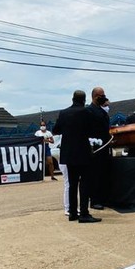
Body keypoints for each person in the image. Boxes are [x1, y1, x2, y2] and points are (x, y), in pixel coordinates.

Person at [52, 90, 99, 223]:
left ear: (72, 99)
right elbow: (92, 130)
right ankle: (84, 213)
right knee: (84, 184)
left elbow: (56, 130)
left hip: (68, 153)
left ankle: (73, 213)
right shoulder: (86, 112)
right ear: (84, 100)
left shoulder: (63, 113)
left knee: (72, 184)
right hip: (83, 153)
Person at [86, 87, 111, 210]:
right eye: (102, 95)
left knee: (103, 174)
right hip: (95, 148)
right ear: (96, 96)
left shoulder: (102, 111)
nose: (104, 97)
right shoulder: (89, 111)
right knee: (95, 175)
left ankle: (103, 198)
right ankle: (94, 200)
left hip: (105, 146)